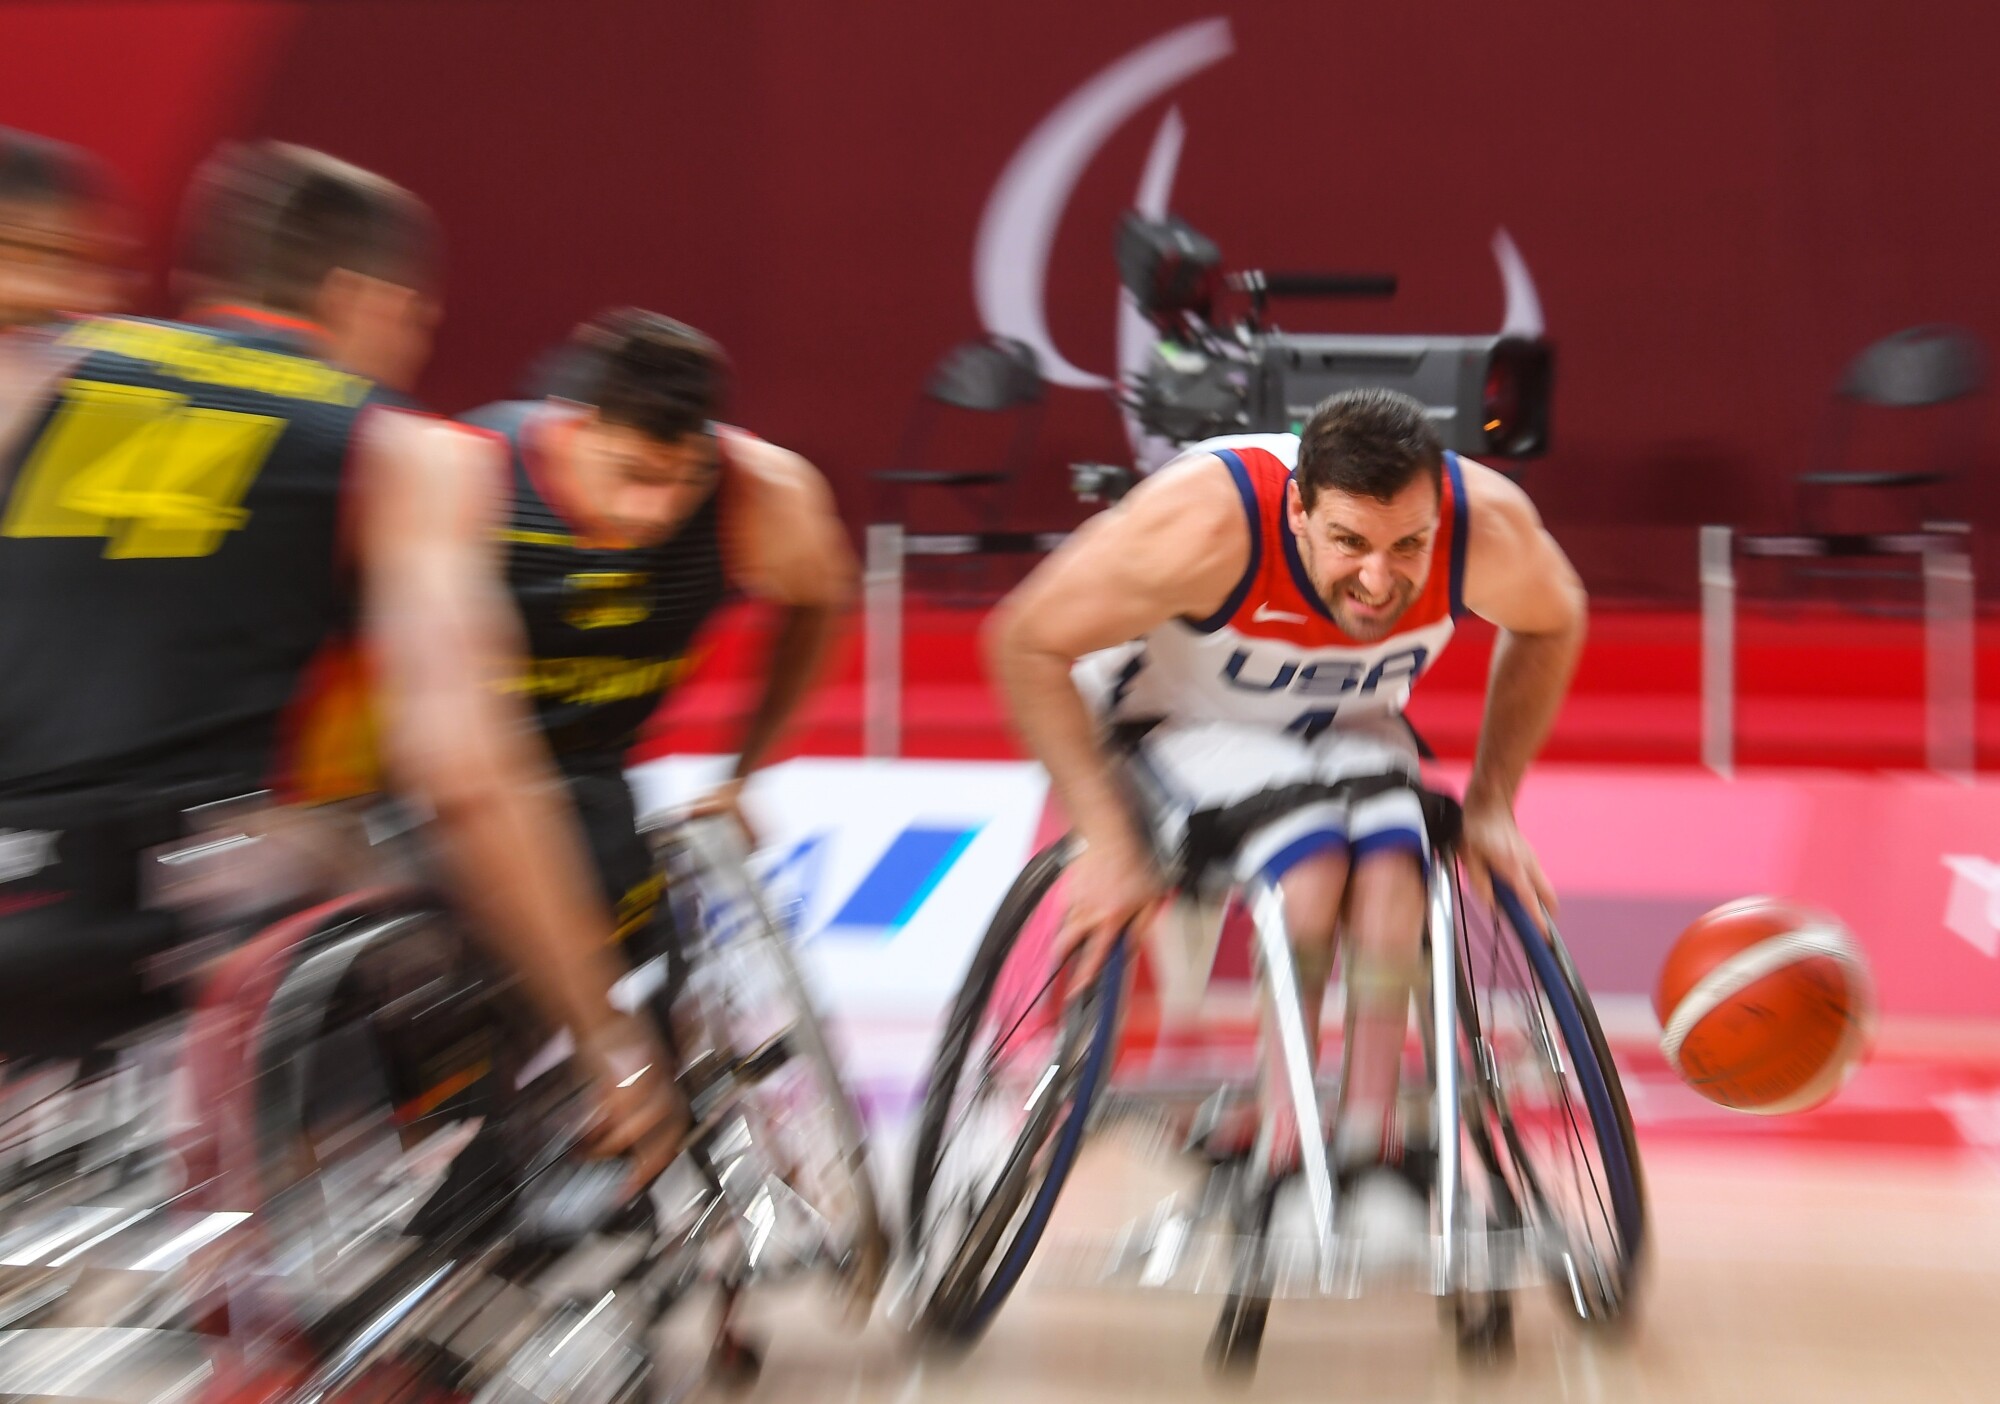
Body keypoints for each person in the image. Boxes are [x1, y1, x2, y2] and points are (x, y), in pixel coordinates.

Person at [0, 141, 680, 1186]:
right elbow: (465, 772)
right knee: (458, 864)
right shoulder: (411, 451)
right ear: (361, 295)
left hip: (15, 896)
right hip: (186, 916)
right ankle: (464, 1212)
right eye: (416, 318)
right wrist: (610, 1040)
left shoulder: (32, 369)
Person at [986, 387, 1585, 1202]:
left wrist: (1491, 805)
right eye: (1349, 542)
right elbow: (1023, 640)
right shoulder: (1203, 525)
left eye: (1408, 544)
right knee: (1306, 867)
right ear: (1298, 511)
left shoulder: (1487, 525)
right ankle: (1286, 1146)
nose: (1378, 578)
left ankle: (1369, 1141)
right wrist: (1111, 841)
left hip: (1342, 720)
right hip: (1174, 716)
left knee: (1396, 860)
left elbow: (1555, 619)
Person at [460, 309, 854, 1001]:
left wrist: (743, 773)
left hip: (591, 774)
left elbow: (819, 601)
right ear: (576, 428)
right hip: (465, 772)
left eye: (683, 478)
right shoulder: (471, 471)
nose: (658, 509)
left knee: (646, 987)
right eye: (634, 473)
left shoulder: (759, 489)